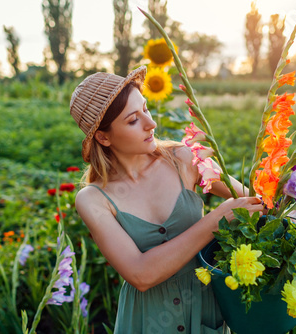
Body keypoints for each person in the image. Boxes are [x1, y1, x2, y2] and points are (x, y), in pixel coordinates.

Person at [70, 66, 266, 334]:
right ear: (103, 137)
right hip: (146, 319)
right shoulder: (93, 199)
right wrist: (216, 220)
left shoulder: (184, 159)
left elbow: (255, 202)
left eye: (146, 109)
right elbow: (141, 275)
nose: (151, 124)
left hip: (205, 310)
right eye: (132, 120)